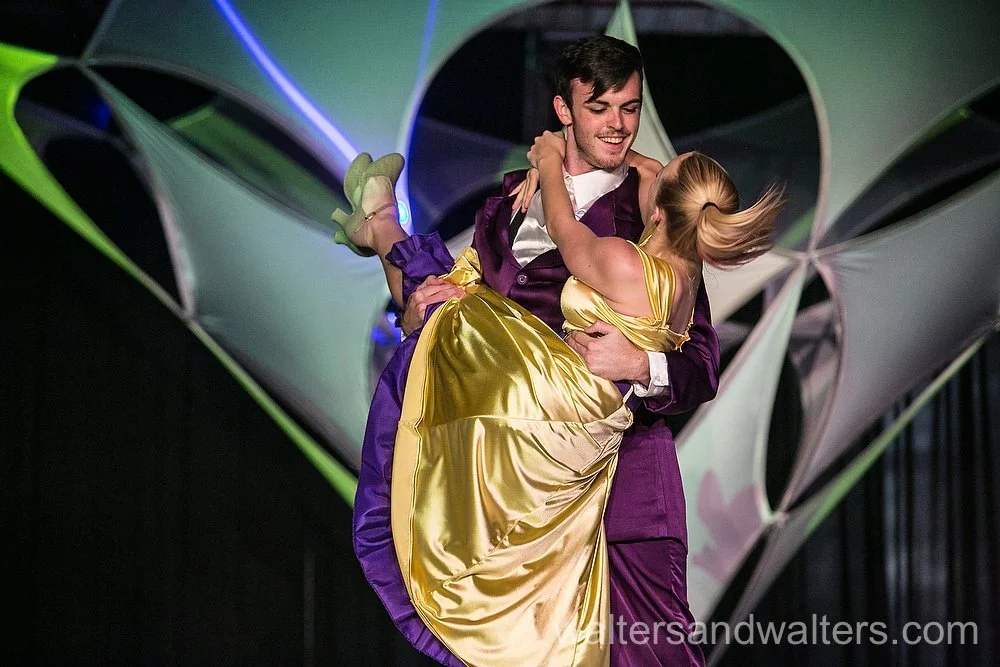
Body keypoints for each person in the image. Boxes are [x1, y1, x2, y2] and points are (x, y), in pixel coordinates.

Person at [342, 36, 767, 666]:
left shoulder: (659, 211)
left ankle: (381, 229)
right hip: (514, 499)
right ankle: (381, 230)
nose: (619, 125)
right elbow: (442, 322)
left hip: (621, 496)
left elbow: (700, 363)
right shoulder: (511, 204)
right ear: (564, 109)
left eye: (630, 107)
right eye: (601, 108)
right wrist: (424, 298)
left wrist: (641, 366)